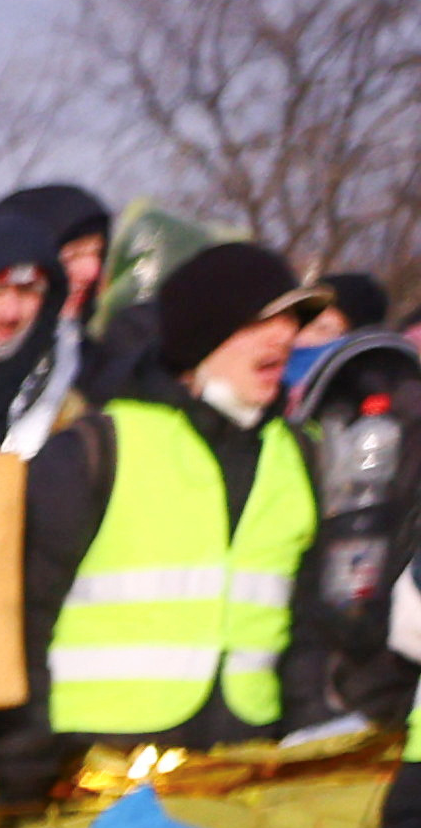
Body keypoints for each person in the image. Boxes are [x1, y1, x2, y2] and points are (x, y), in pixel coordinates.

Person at [25, 236, 322, 750]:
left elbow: (309, 627)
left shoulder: (300, 453)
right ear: (204, 335)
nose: (284, 336)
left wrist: (307, 736)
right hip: (97, 763)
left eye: (292, 321)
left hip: (244, 763)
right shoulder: (97, 449)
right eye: (260, 321)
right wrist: (24, 764)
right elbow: (22, 619)